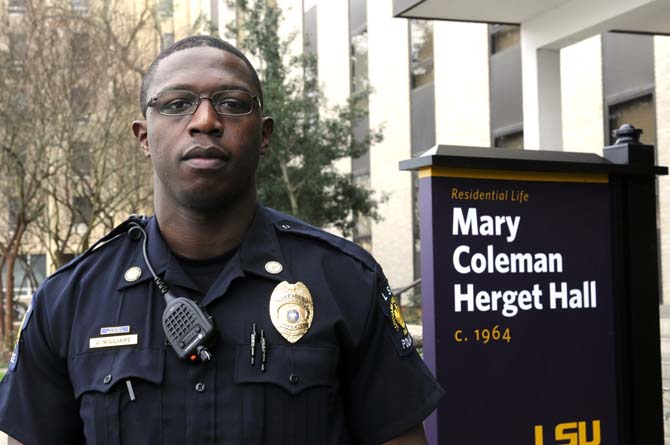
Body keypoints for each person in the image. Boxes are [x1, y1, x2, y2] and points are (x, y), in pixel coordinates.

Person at [0, 35, 443, 444]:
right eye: (177, 103)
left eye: (231, 103)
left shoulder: (346, 282)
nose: (206, 120)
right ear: (143, 137)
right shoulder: (70, 300)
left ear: (264, 135)